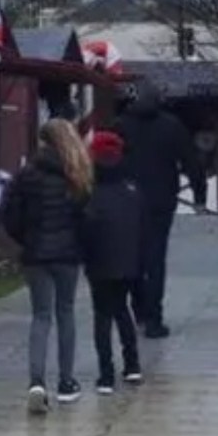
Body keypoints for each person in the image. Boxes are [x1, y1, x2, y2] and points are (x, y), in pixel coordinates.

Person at [3, 118, 93, 413]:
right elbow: (85, 216)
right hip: (67, 254)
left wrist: (25, 239)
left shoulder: (27, 174)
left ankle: (36, 382)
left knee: (41, 316)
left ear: (42, 142)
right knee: (65, 313)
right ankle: (66, 382)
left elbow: (11, 215)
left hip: (36, 254)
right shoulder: (77, 174)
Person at [111, 81, 205, 337]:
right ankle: (154, 318)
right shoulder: (171, 125)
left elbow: (109, 161)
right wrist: (199, 195)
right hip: (161, 200)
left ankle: (139, 305)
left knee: (132, 256)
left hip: (127, 199)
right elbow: (191, 161)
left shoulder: (121, 125)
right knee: (155, 259)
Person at [80, 130, 143, 393]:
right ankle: (132, 365)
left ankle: (106, 373)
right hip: (129, 263)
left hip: (100, 264)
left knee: (102, 316)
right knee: (123, 310)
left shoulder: (90, 194)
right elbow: (143, 228)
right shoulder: (132, 191)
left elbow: (85, 231)